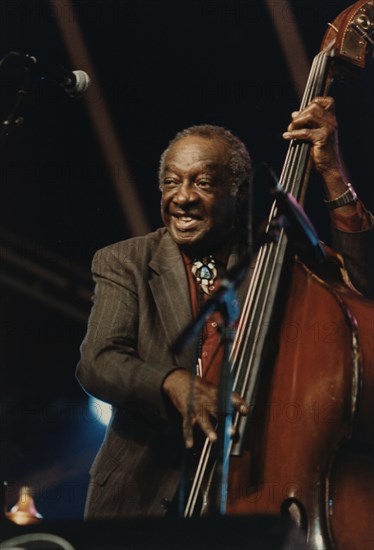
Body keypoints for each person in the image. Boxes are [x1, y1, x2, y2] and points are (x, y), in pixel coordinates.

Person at [76, 96, 373, 519]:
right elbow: (99, 361)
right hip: (139, 497)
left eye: (203, 183)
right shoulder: (124, 261)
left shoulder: (275, 258)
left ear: (239, 191)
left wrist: (330, 172)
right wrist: (174, 383)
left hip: (254, 490)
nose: (182, 198)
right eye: (171, 182)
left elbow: (360, 282)